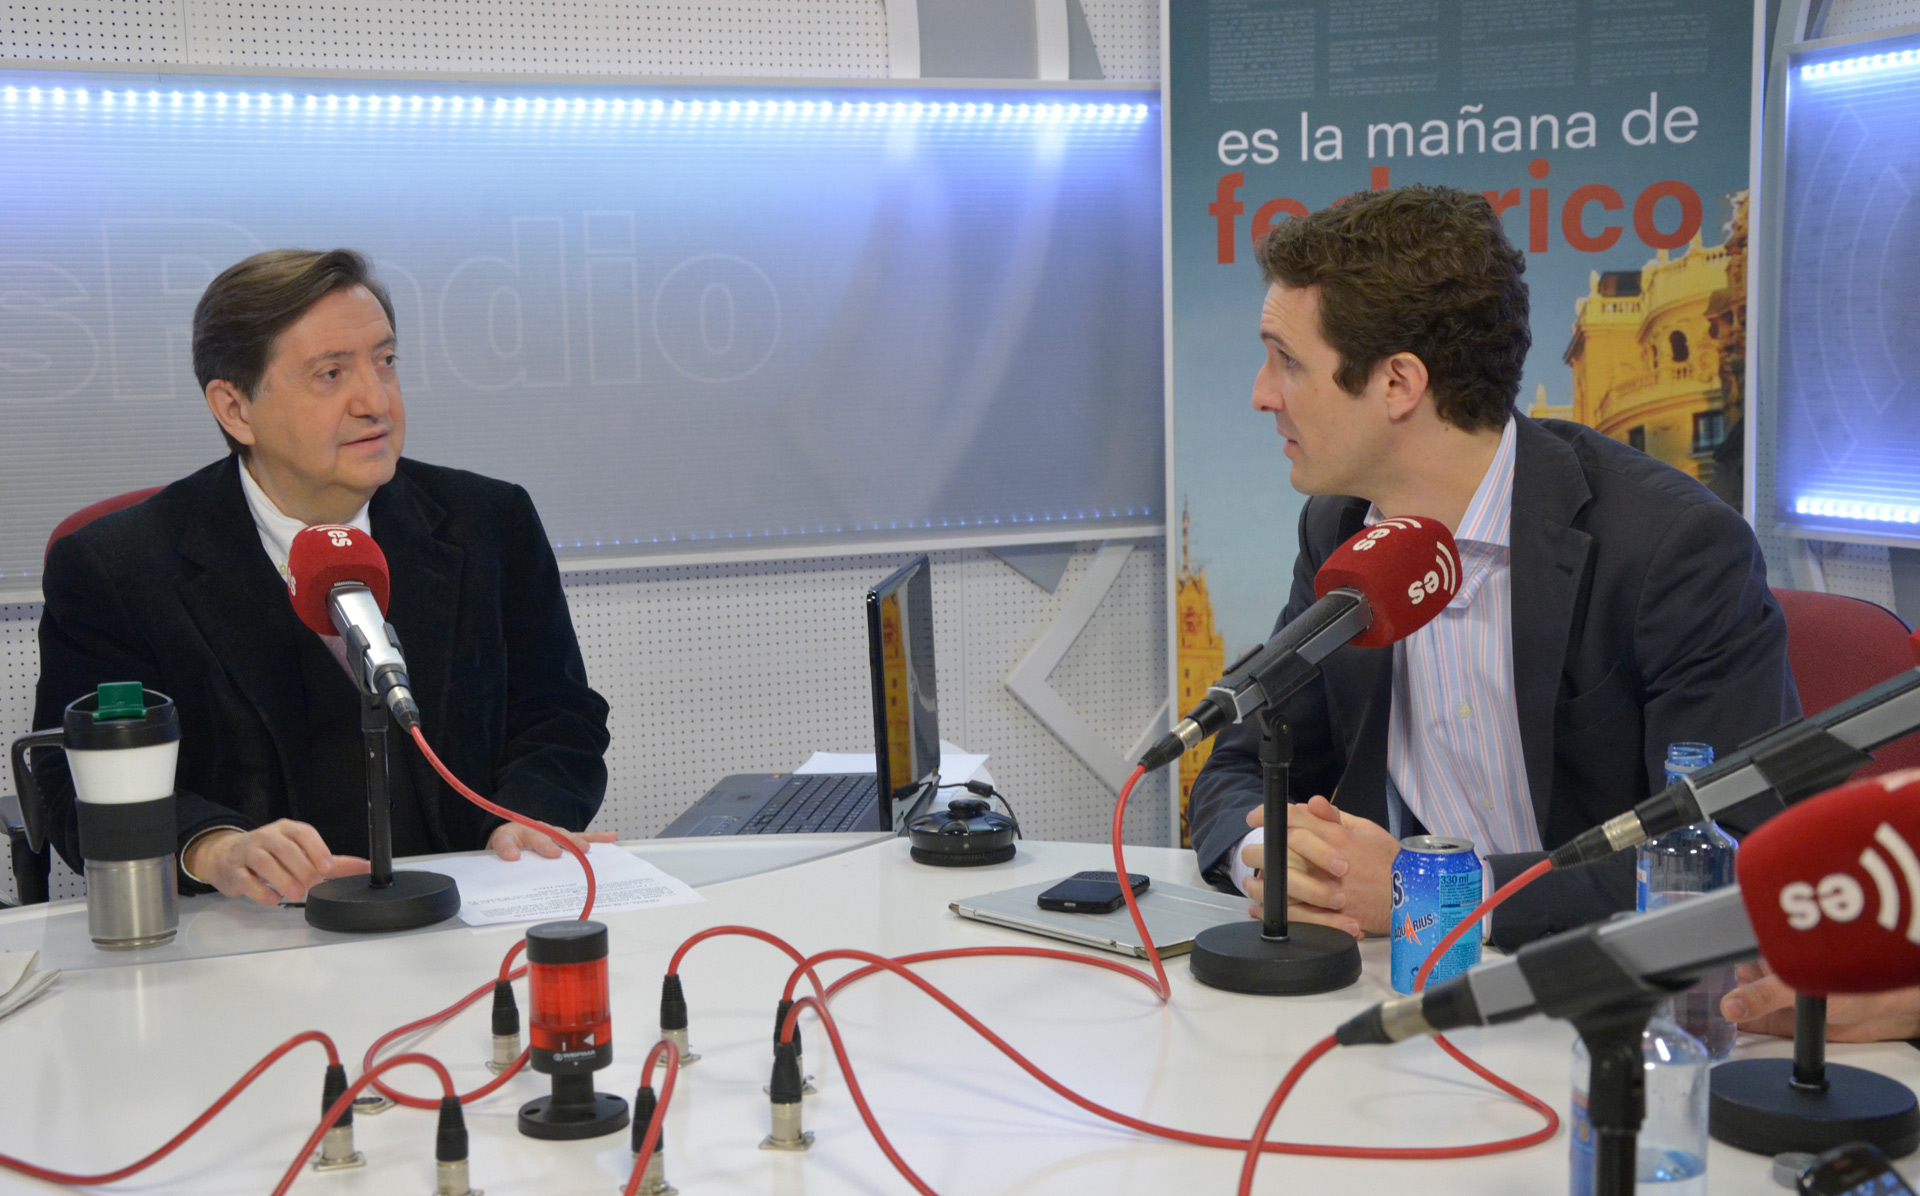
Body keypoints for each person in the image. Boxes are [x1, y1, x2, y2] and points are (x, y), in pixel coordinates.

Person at [1185, 187, 1800, 949]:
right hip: (1396, 972)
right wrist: (1269, 857)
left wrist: (1435, 890)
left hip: (1599, 983)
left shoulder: (1670, 547)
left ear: (1398, 384)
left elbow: (1728, 848)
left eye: (1287, 361)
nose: (1261, 394)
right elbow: (1240, 768)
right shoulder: (1338, 526)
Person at [33, 248, 613, 906]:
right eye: (331, 374)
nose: (376, 401)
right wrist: (211, 846)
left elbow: (559, 715)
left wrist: (525, 817)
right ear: (235, 408)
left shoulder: (488, 523)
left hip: (464, 905)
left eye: (385, 362)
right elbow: (73, 781)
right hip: (248, 930)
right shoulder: (117, 568)